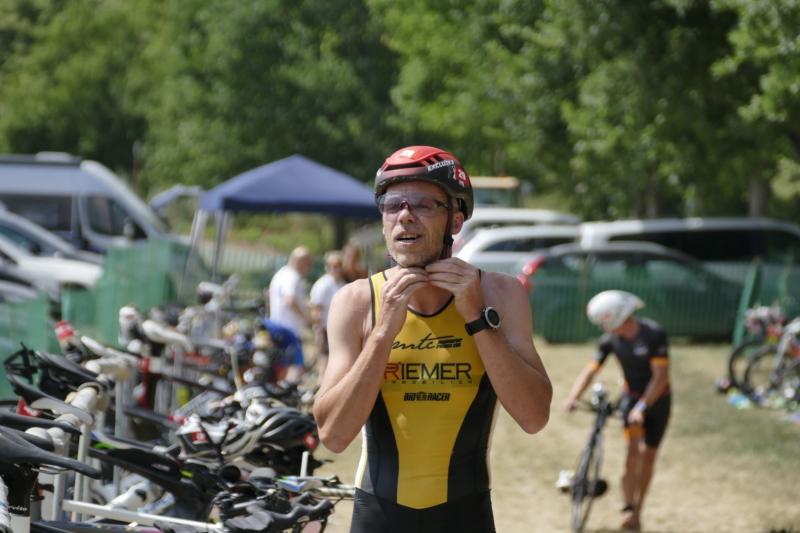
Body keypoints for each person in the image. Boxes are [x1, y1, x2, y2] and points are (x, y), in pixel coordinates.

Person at [313, 145, 552, 533]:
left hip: (464, 515)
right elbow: (333, 436)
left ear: (455, 220)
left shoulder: (500, 294)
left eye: (423, 204)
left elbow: (534, 416)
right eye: (393, 205)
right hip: (380, 516)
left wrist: (477, 318)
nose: (405, 215)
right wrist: (382, 333)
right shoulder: (356, 301)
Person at [564, 290, 671, 531]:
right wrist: (573, 396)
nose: (603, 328)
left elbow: (661, 377)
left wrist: (643, 406)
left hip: (659, 402)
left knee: (648, 456)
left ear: (617, 317)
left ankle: (638, 510)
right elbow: (591, 370)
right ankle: (628, 507)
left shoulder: (653, 334)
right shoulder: (609, 341)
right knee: (632, 455)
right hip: (631, 400)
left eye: (604, 322)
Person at [267, 246, 314, 378]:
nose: (309, 268)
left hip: (278, 327)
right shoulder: (292, 277)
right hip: (289, 330)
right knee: (296, 368)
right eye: (309, 263)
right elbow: (290, 300)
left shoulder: (281, 273)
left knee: (281, 369)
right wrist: (306, 318)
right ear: (301, 262)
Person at [309, 250, 346, 378]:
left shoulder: (343, 284)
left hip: (340, 328)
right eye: (331, 266)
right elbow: (316, 309)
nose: (334, 269)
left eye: (337, 265)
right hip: (325, 328)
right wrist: (318, 330)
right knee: (324, 359)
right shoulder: (322, 285)